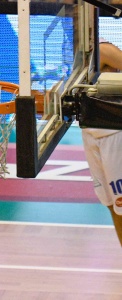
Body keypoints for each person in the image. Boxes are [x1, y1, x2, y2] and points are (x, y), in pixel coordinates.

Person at [82, 39, 122, 246]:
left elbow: (106, 53)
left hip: (115, 132)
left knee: (121, 205)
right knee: (110, 203)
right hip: (91, 131)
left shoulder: (102, 50)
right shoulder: (71, 55)